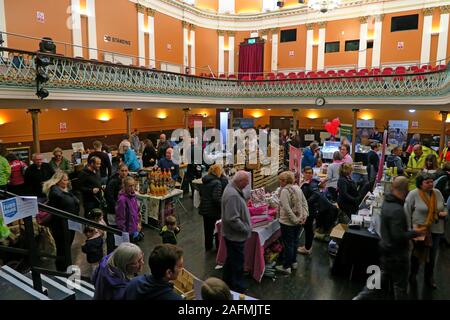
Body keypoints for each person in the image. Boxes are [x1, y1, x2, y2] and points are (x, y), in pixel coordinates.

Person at [353, 176, 424, 300]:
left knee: (378, 282)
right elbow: (398, 236)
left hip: (387, 250)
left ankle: (360, 297)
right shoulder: (397, 209)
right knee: (400, 287)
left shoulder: (387, 203)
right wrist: (415, 233)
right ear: (406, 189)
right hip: (397, 254)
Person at [404, 172, 448, 289]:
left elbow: (443, 207)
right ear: (420, 183)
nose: (430, 184)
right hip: (419, 229)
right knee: (417, 255)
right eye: (427, 182)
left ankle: (429, 277)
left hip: (436, 229)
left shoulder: (437, 193)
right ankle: (413, 275)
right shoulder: (413, 194)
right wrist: (409, 230)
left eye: (431, 182)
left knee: (432, 256)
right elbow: (407, 212)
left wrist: (444, 213)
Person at [221, 171, 252, 293]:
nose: (248, 184)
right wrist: (245, 229)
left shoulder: (232, 188)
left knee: (231, 259)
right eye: (246, 182)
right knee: (238, 263)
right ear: (240, 182)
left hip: (232, 235)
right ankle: (239, 288)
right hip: (235, 236)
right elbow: (232, 219)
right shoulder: (232, 195)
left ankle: (226, 282)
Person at [43, 171, 80, 271]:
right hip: (61, 225)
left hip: (70, 223)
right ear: (58, 180)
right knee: (63, 247)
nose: (67, 182)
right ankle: (63, 269)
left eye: (67, 179)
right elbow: (54, 210)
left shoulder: (65, 189)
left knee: (67, 246)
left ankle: (66, 266)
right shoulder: (55, 192)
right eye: (64, 180)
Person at [276, 171, 308, 274]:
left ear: (284, 181)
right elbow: (304, 203)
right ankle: (293, 262)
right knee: (294, 242)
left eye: (280, 180)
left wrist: (295, 219)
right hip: (298, 221)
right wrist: (304, 216)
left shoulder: (284, 191)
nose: (279, 182)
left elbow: (287, 209)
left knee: (288, 244)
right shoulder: (297, 188)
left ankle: (286, 266)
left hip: (287, 222)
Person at [199, 164, 227, 251]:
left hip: (204, 209)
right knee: (217, 229)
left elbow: (201, 193)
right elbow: (216, 198)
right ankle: (219, 248)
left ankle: (208, 247)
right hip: (214, 210)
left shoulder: (204, 180)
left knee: (207, 230)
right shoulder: (217, 183)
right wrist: (223, 205)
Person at [297, 166, 322, 255]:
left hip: (310, 210)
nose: (308, 174)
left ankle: (307, 248)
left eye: (310, 173)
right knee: (307, 228)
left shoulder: (313, 183)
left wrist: (306, 203)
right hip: (308, 209)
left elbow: (316, 194)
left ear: (312, 174)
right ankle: (308, 246)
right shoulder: (305, 182)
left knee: (308, 229)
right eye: (306, 172)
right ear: (303, 173)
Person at [115, 176, 142, 243]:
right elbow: (120, 217)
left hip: (134, 228)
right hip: (127, 231)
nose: (132, 188)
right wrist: (123, 232)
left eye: (133, 185)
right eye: (130, 186)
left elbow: (136, 211)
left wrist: (138, 223)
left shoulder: (133, 196)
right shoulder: (122, 199)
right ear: (125, 186)